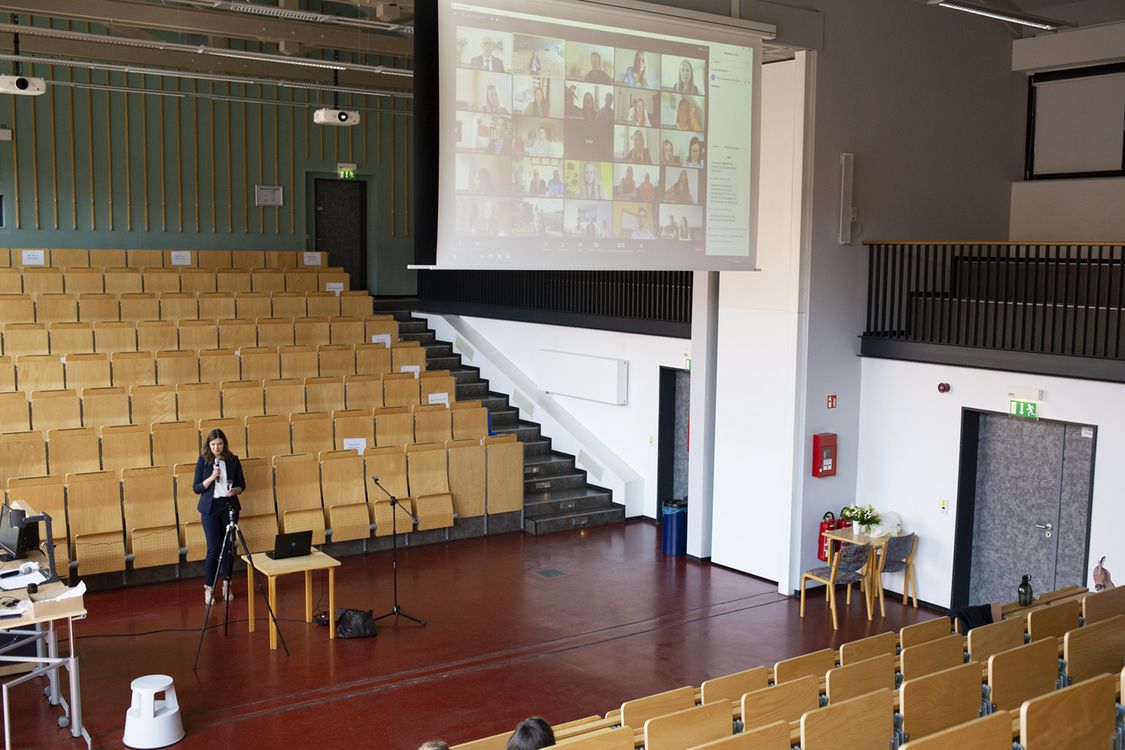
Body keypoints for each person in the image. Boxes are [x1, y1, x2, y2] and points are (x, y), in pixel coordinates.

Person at [194, 428, 245, 606]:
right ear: (209, 445)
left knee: (229, 548)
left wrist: (235, 490)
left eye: (220, 444)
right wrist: (211, 477)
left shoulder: (233, 460)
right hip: (210, 509)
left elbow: (242, 485)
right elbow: (197, 488)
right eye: (213, 444)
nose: (216, 447)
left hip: (229, 506)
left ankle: (226, 585)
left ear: (224, 444)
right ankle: (209, 588)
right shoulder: (203, 461)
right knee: (213, 549)